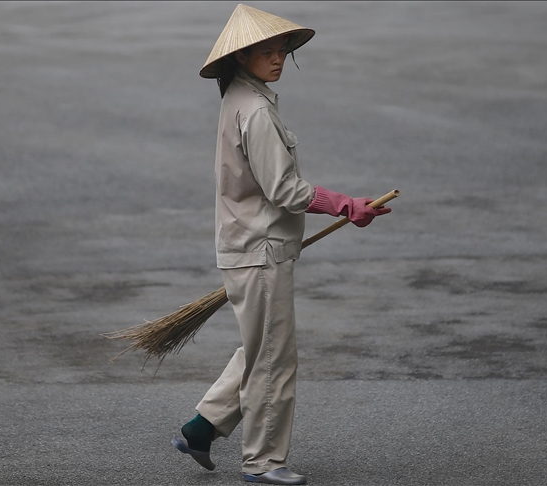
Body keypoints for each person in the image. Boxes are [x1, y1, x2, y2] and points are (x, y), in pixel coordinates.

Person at [170, 4, 391, 485]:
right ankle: (263, 462)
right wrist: (345, 204)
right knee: (273, 359)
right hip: (261, 250)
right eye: (265, 51)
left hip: (249, 247)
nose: (277, 59)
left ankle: (200, 429)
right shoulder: (255, 111)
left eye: (281, 51)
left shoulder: (239, 99)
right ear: (241, 57)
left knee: (261, 348)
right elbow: (284, 190)